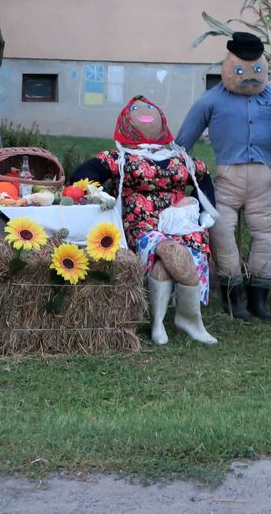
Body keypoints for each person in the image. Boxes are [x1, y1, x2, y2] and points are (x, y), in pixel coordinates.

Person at [174, 31, 271, 321]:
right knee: (221, 232)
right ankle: (232, 296)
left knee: (269, 235)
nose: (249, 77)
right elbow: (184, 139)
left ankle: (258, 298)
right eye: (240, 70)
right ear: (228, 67)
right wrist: (176, 159)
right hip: (227, 180)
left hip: (263, 180)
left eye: (256, 70)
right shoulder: (210, 101)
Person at [71, 96, 219, 345]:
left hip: (179, 224)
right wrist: (102, 199)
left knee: (169, 260)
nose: (145, 111)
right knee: (174, 252)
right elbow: (81, 179)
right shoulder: (120, 158)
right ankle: (190, 319)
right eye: (137, 109)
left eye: (150, 107)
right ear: (126, 122)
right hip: (141, 225)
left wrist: (199, 206)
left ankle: (160, 322)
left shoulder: (179, 158)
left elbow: (203, 178)